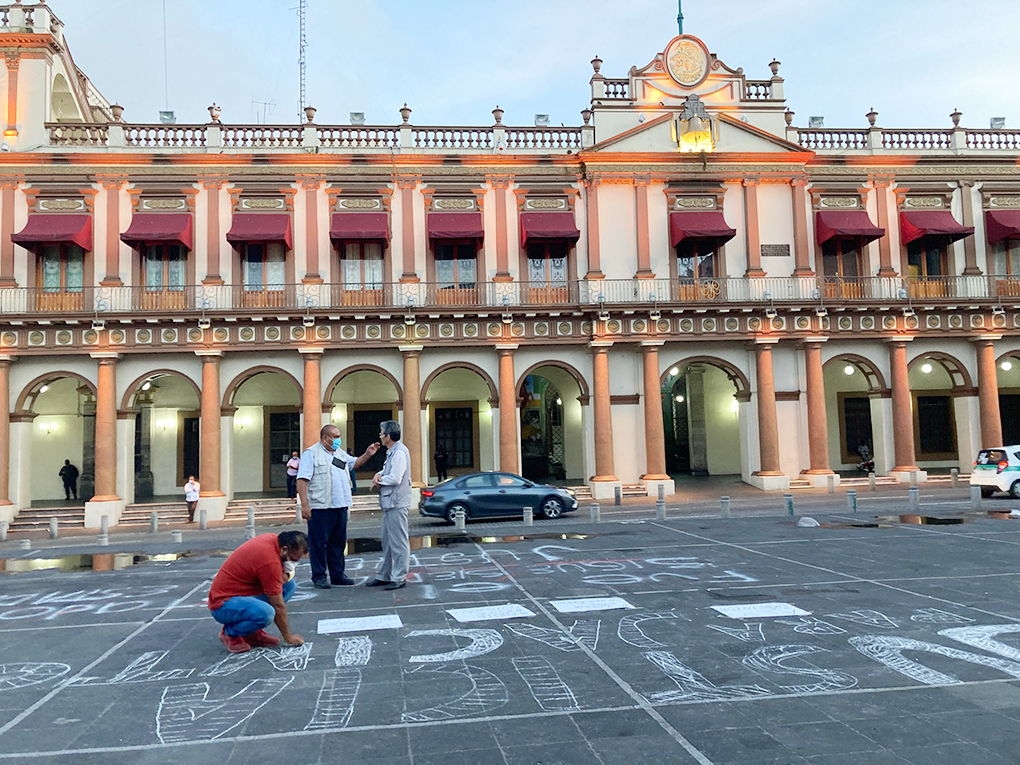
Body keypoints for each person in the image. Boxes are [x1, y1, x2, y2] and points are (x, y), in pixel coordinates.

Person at [297, 424, 379, 589]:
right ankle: (319, 576)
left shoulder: (340, 453)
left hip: (340, 505)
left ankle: (337, 575)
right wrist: (304, 505)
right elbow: (302, 479)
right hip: (320, 507)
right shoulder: (311, 454)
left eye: (339, 436)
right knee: (318, 544)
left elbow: (354, 464)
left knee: (338, 542)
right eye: (335, 437)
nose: (338, 440)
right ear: (325, 438)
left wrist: (367, 454)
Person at [208, 530, 308, 653]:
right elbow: (278, 605)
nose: (293, 563)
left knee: (289, 586)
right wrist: (288, 637)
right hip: (222, 604)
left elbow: (282, 577)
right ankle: (230, 633)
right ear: (284, 549)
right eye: (292, 559)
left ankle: (251, 633)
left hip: (243, 594)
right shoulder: (269, 561)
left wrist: (284, 574)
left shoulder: (273, 540)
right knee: (266, 613)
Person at [366, 420, 412, 591]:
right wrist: (378, 474)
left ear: (388, 436)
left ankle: (399, 576)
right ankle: (385, 575)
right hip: (389, 503)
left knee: (399, 542)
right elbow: (388, 472)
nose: (380, 436)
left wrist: (378, 481)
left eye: (381, 433)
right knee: (387, 541)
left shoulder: (399, 452)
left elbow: (395, 478)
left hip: (396, 502)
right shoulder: (392, 452)